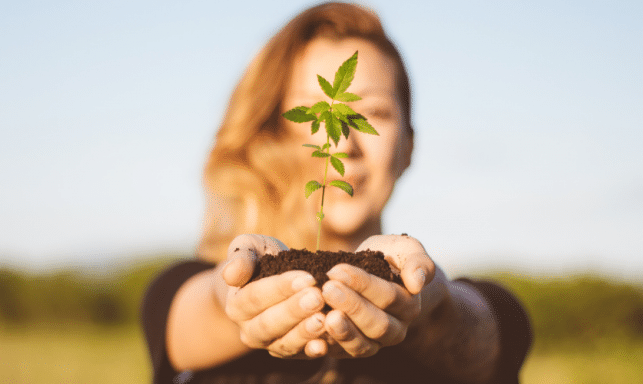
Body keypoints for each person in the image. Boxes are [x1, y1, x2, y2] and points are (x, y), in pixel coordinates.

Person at [143, 3, 532, 383]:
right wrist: (239, 295)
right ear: (271, 136)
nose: (343, 142)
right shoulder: (181, 289)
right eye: (314, 113)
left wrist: (426, 303)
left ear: (408, 146)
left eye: (373, 113)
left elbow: (490, 334)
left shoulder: (487, 311)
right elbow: (197, 314)